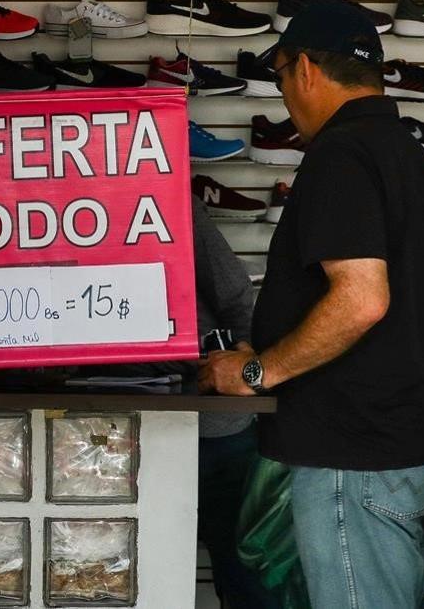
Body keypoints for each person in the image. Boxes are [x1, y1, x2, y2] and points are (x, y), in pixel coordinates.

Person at [199, 0, 424, 609]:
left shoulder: (341, 157)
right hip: (421, 447)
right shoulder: (410, 157)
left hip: (357, 457)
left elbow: (362, 299)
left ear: (308, 69)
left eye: (281, 75)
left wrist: (257, 372)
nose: (284, 94)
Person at [90, 196, 277, 608]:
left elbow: (233, 293)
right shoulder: (25, 202)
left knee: (243, 570)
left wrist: (245, 372)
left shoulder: (158, 194)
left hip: (204, 415)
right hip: (102, 426)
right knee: (111, 573)